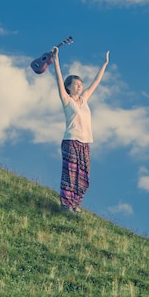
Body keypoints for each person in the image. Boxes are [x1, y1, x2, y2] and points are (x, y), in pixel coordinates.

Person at [52, 47, 109, 214]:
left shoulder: (84, 100)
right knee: (70, 173)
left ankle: (75, 203)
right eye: (75, 84)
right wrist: (56, 59)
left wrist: (104, 64)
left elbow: (96, 82)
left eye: (80, 84)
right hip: (71, 140)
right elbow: (58, 78)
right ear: (68, 87)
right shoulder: (67, 100)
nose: (79, 87)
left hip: (85, 142)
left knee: (84, 177)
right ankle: (65, 205)